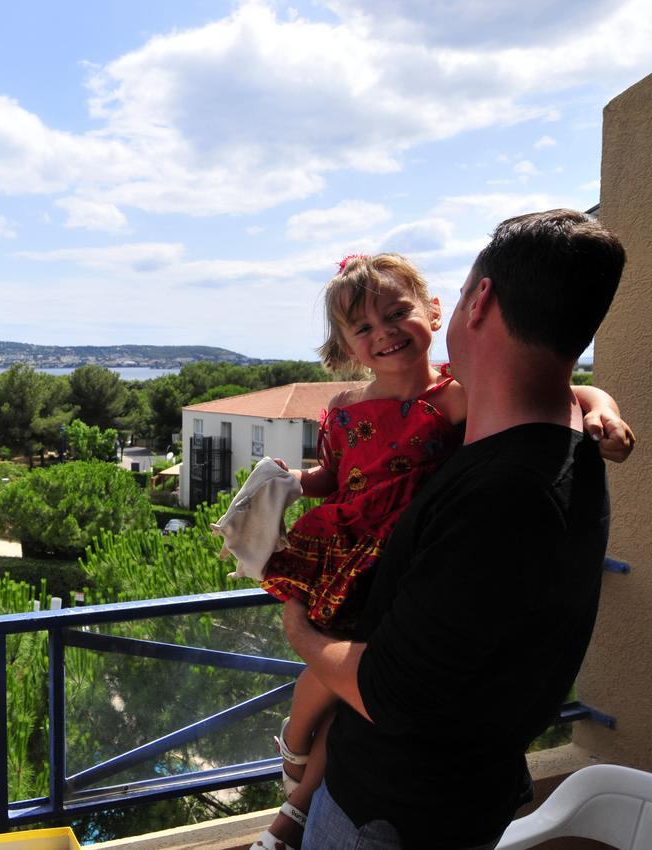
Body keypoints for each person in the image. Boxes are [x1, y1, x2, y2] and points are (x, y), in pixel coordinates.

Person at [249, 251, 634, 849]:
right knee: (327, 680)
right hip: (353, 548)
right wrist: (295, 484)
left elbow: (561, 386)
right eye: (365, 328)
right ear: (347, 346)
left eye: (396, 313)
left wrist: (603, 406)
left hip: (398, 558)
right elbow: (337, 472)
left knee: (347, 681)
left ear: (434, 311)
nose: (385, 334)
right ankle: (294, 753)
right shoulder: (347, 409)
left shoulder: (453, 394)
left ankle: (295, 794)